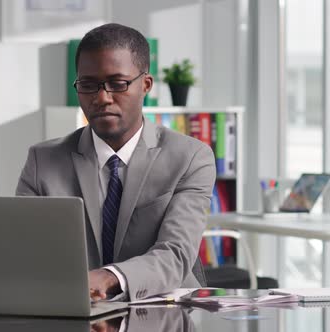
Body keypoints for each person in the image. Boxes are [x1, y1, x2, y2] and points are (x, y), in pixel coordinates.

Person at [16, 23, 215, 301]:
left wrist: (109, 277)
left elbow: (175, 254)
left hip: (164, 312)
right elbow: (23, 251)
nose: (102, 98)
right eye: (88, 85)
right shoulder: (42, 161)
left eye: (117, 84)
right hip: (72, 311)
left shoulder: (190, 157)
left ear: (145, 85)